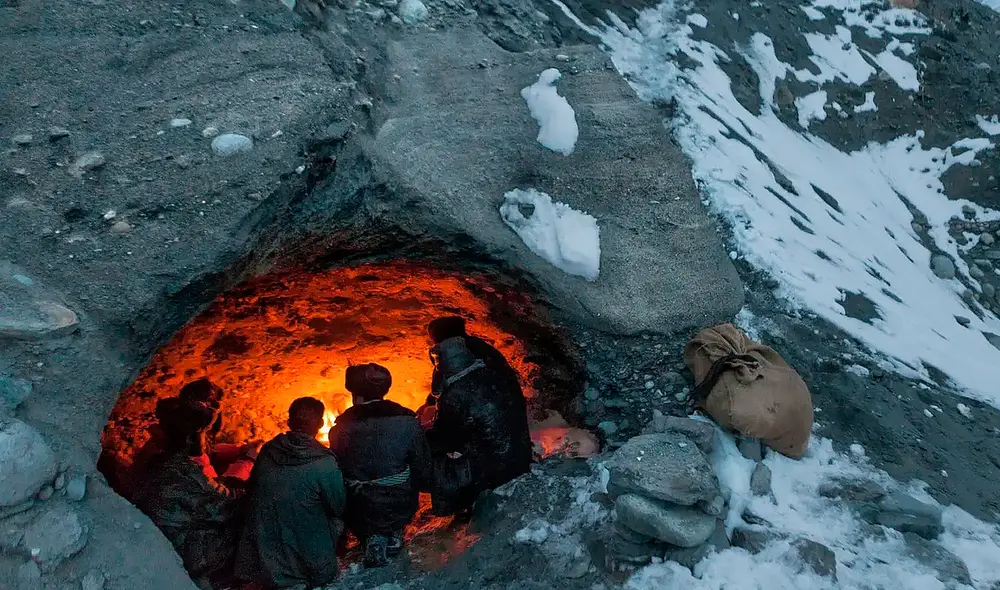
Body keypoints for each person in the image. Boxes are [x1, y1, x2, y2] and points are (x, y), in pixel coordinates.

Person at [235, 397, 347, 589]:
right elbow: (338, 506)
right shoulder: (324, 462)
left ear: (288, 423)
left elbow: (252, 490)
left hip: (265, 559)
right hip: (309, 563)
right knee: (337, 521)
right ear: (321, 424)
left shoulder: (268, 451)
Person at [132, 397, 244, 590]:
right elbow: (225, 508)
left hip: (160, 540)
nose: (206, 438)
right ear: (190, 438)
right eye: (204, 433)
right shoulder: (183, 473)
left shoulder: (158, 459)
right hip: (182, 553)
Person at [329, 363, 433, 568]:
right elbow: (422, 469)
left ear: (356, 395)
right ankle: (393, 530)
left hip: (361, 508)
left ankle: (371, 535)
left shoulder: (337, 431)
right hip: (399, 503)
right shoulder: (408, 423)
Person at [425, 335, 533, 515]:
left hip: (494, 469)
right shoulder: (493, 375)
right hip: (520, 456)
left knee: (435, 458)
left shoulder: (455, 394)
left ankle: (457, 506)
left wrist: (423, 436)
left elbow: (448, 438)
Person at [419, 316, 522, 425]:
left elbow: (443, 387)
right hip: (509, 411)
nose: (436, 346)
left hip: (491, 415)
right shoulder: (477, 348)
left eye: (435, 341)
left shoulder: (463, 355)